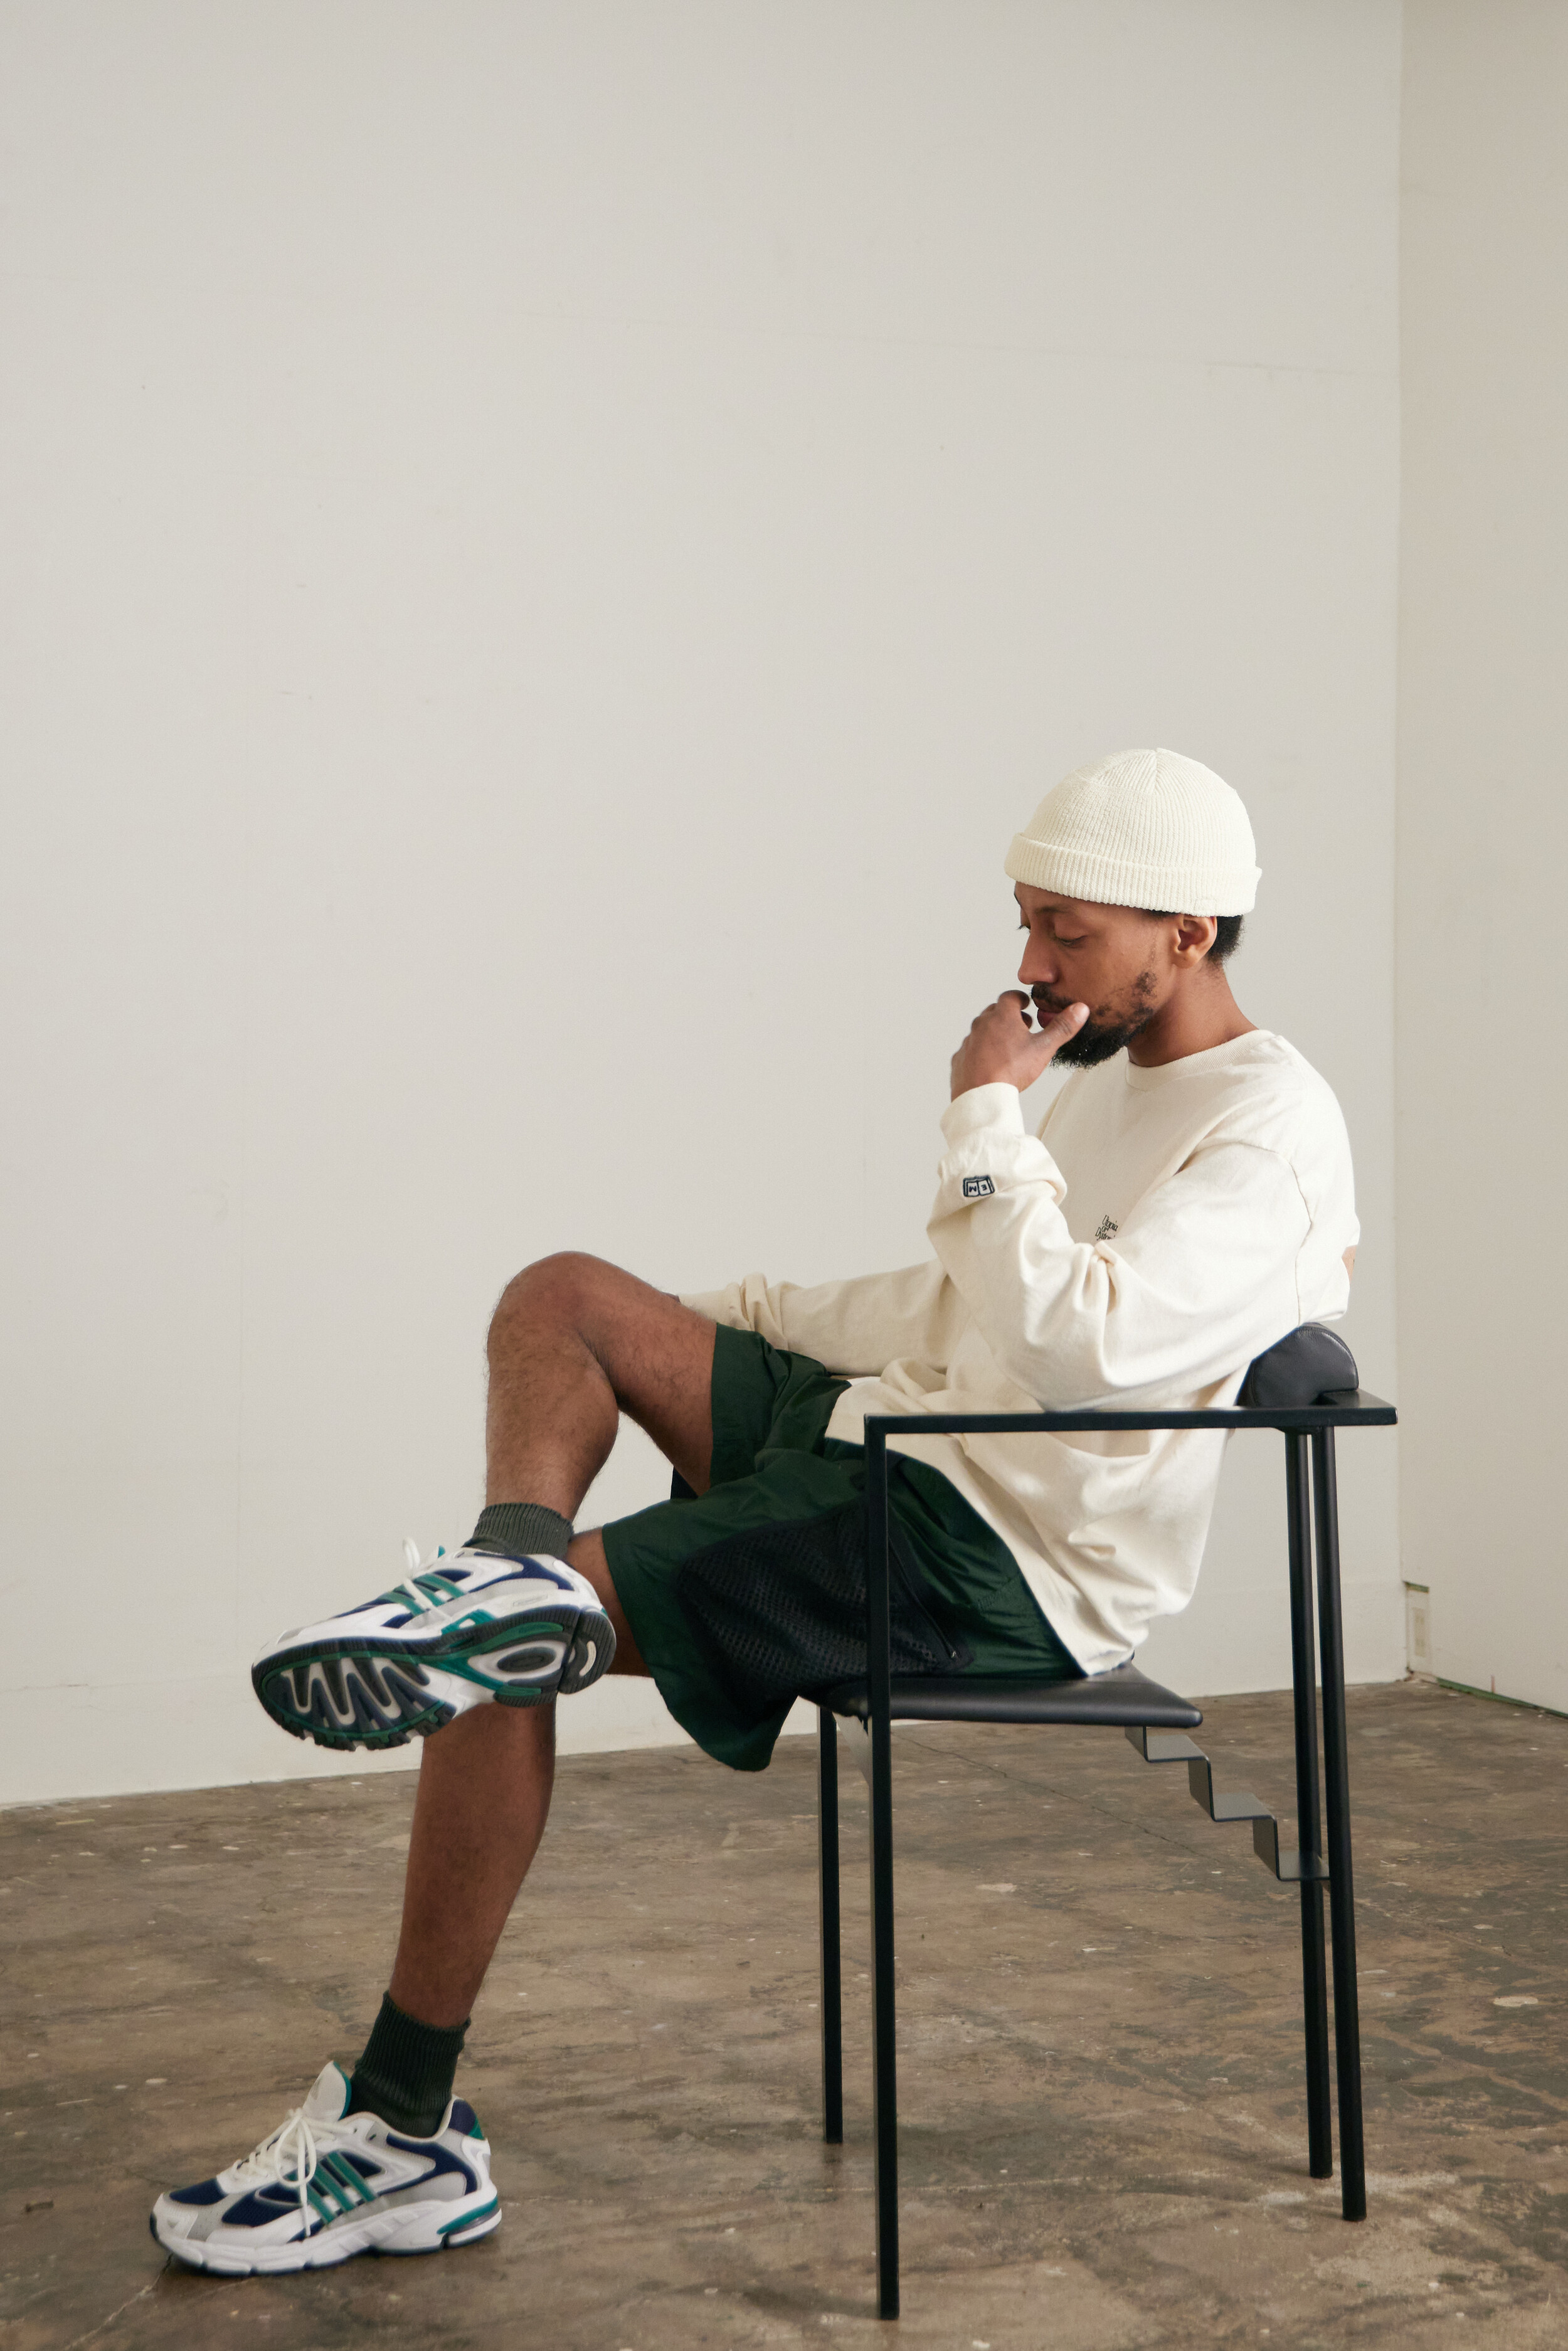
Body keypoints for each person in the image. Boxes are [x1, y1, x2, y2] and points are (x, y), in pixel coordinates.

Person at [151, 746, 1358, 2273]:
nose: (1031, 963)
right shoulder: (1107, 1086)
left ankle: (400, 2128)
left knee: (485, 1661)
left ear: (1184, 932)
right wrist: (731, 1318)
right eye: (1025, 922)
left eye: (1067, 929)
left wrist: (984, 1115)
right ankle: (507, 1578)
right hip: (891, 1434)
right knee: (565, 1297)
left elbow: (1078, 1346)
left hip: (986, 1555)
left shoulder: (1267, 1132)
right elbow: (963, 1305)